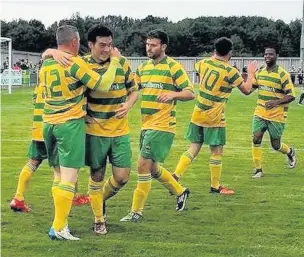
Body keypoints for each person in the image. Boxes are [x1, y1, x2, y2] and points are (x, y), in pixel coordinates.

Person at [44, 24, 139, 235]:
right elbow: (98, 85)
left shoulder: (122, 63)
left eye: (110, 45)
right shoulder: (82, 63)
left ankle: (96, 199)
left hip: (120, 131)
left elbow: (133, 90)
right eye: (102, 45)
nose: (107, 49)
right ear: (90, 45)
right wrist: (52, 51)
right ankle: (99, 218)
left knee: (122, 177)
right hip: (94, 130)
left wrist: (129, 103)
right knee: (96, 175)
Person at [120, 29, 195, 222]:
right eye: (147, 44)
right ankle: (180, 192)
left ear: (163, 46)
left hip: (162, 125)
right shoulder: (143, 68)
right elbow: (131, 88)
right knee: (152, 168)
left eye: (153, 45)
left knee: (142, 165)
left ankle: (136, 212)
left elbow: (190, 92)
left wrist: (173, 95)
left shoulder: (174, 67)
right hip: (147, 125)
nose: (149, 48)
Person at [172, 37, 257, 194]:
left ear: (215, 50)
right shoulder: (231, 71)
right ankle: (215, 186)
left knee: (193, 147)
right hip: (214, 116)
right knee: (216, 151)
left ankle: (176, 175)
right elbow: (246, 90)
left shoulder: (204, 63)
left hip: (198, 113)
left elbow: (199, 69)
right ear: (230, 53)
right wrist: (251, 74)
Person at [251, 47, 296, 178]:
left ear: (277, 56)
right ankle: (258, 170)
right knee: (256, 138)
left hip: (277, 115)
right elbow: (249, 89)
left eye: (270, 54)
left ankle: (290, 151)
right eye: (265, 54)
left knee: (275, 145)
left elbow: (291, 95)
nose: (267, 56)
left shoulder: (282, 74)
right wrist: (248, 75)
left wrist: (275, 102)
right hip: (260, 112)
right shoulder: (259, 72)